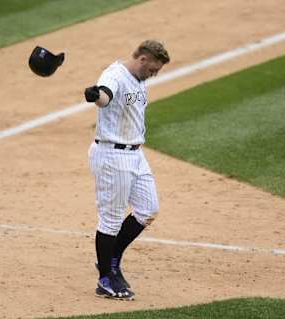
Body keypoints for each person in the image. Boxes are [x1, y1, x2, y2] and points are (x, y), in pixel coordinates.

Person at [84, 40, 170, 300]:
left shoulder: (140, 79)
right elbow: (105, 96)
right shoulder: (114, 75)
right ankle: (105, 281)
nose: (154, 74)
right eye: (153, 69)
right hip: (112, 155)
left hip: (135, 154)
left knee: (147, 209)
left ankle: (110, 260)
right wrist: (95, 95)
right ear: (142, 59)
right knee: (110, 220)